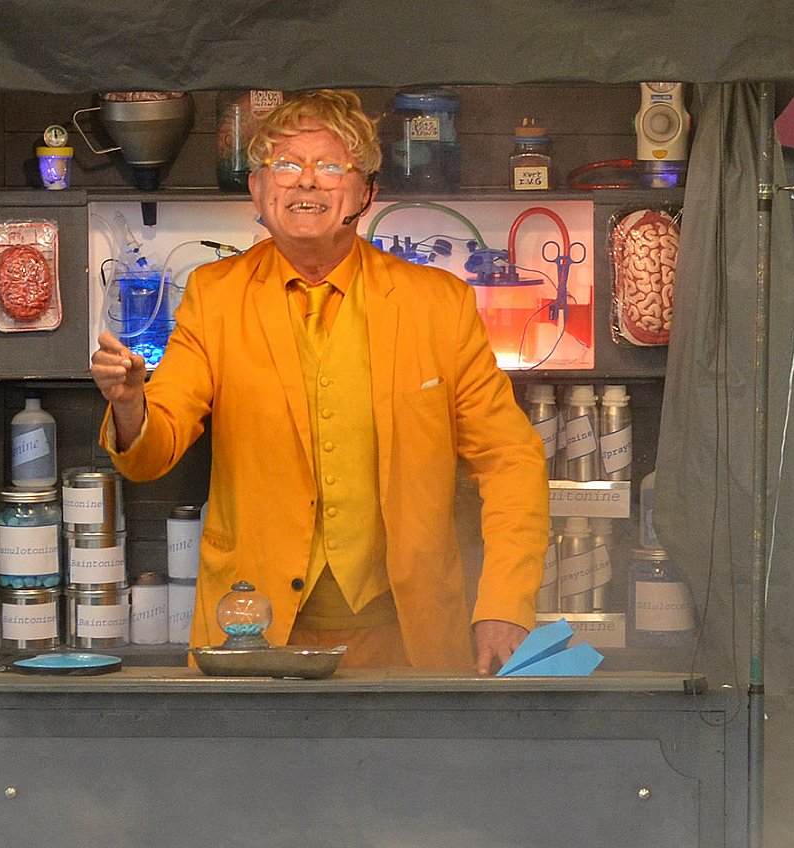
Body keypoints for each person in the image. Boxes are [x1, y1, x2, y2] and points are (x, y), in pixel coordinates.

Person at [91, 89, 547, 674]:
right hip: (251, 633)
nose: (306, 181)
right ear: (257, 189)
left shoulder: (439, 303)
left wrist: (506, 604)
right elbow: (153, 452)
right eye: (285, 164)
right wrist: (130, 404)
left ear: (366, 192)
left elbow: (511, 462)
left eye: (331, 166)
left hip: (409, 636)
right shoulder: (215, 295)